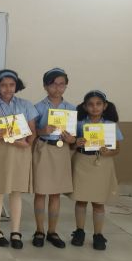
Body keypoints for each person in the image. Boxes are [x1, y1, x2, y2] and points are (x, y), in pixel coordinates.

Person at [0, 69, 37, 249]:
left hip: (20, 152)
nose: (7, 89)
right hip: (0, 151)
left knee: (16, 192)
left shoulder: (26, 105)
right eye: (3, 85)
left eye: (11, 85)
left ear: (17, 86)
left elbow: (32, 132)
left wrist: (27, 142)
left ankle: (15, 231)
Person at [70, 90, 123, 250]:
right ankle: (79, 231)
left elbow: (117, 149)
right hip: (82, 162)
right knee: (81, 200)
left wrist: (108, 152)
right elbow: (71, 145)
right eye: (91, 104)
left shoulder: (110, 125)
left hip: (102, 164)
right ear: (85, 107)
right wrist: (76, 143)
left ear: (105, 106)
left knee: (98, 202)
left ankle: (98, 234)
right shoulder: (79, 124)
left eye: (98, 104)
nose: (95, 107)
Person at [32, 68, 76, 248]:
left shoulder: (71, 109)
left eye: (61, 84)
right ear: (45, 86)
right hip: (43, 149)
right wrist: (42, 130)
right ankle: (39, 230)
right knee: (41, 191)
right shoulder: (38, 107)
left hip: (61, 150)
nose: (57, 88)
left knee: (56, 193)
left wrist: (72, 139)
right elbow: (31, 132)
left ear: (66, 86)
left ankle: (52, 231)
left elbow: (75, 137)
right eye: (53, 84)